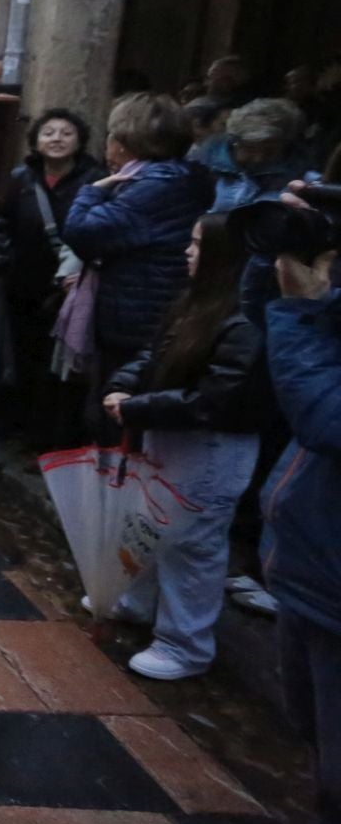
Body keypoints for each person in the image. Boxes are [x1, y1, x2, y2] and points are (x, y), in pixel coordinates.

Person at [99, 214, 271, 678]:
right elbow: (154, 355)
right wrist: (124, 387)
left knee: (192, 543)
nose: (187, 252)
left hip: (211, 446)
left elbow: (218, 398)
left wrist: (139, 406)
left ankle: (184, 644)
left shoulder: (247, 317)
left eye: (197, 245)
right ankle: (138, 601)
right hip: (167, 432)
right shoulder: (198, 302)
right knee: (149, 523)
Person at [259, 202, 339, 824]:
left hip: (332, 579)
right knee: (311, 737)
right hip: (310, 562)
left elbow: (326, 417)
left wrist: (304, 315)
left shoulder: (310, 322)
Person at [63, 93, 214, 424]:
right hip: (146, 306)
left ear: (124, 141)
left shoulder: (157, 184)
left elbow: (82, 232)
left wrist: (93, 191)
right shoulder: (173, 177)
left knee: (117, 412)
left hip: (139, 313)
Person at [3, 109, 106, 448]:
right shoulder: (22, 179)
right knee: (26, 359)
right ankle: (25, 430)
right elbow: (1, 224)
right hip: (24, 283)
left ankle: (55, 439)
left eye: (66, 133)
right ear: (35, 141)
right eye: (49, 132)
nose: (57, 139)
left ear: (79, 140)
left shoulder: (94, 179)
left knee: (62, 368)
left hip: (71, 289)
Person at [211, 98, 313, 213]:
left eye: (270, 151)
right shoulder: (207, 169)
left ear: (285, 145)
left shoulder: (305, 181)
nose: (258, 158)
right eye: (250, 148)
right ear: (235, 143)